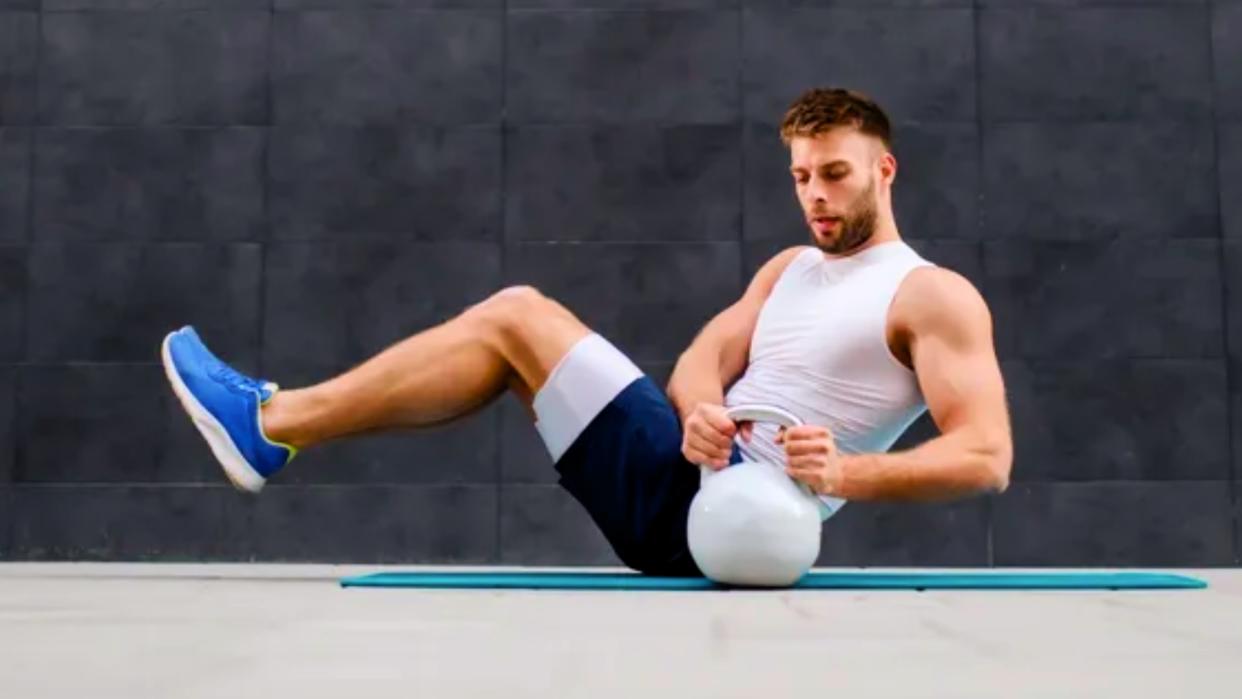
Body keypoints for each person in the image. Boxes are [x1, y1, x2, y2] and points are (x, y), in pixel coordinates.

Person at [160, 87, 1013, 577]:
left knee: (517, 315)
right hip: (685, 481)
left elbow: (986, 456)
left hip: (738, 519)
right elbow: (700, 358)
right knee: (507, 335)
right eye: (800, 176)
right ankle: (273, 430)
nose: (815, 194)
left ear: (883, 169)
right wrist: (703, 407)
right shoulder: (788, 267)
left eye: (834, 174)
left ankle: (273, 424)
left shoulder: (930, 296)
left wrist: (850, 472)